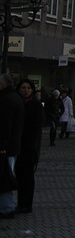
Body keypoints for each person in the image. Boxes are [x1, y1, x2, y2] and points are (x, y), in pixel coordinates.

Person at [15, 79, 41, 214]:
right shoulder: (18, 103)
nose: (26, 90)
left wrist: (33, 147)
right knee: (19, 176)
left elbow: (37, 129)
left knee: (27, 177)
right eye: (23, 88)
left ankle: (26, 204)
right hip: (18, 146)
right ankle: (21, 203)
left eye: (28, 88)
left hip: (29, 147)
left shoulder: (36, 105)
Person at [0, 73, 24, 219]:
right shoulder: (15, 98)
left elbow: (4, 126)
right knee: (7, 174)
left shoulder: (7, 100)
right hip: (12, 145)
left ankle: (7, 208)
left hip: (6, 147)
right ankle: (7, 206)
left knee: (5, 176)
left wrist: (2, 145)